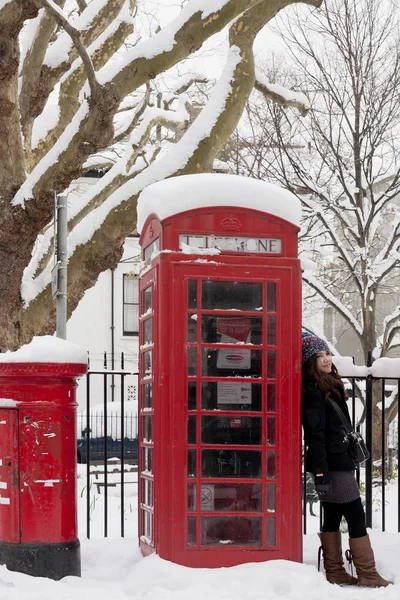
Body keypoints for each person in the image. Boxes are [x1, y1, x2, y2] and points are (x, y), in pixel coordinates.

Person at [302, 333, 391, 588]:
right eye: (319, 356)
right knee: (354, 513)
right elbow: (314, 436)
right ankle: (367, 572)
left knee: (331, 513)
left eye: (327, 354)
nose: (327, 359)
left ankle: (335, 571)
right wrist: (320, 471)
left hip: (338, 460)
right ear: (310, 362)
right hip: (332, 464)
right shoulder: (314, 392)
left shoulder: (330, 385)